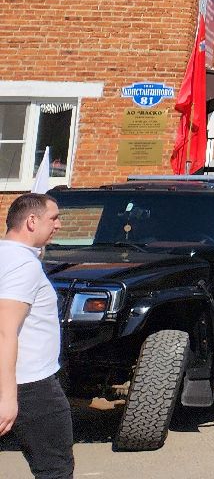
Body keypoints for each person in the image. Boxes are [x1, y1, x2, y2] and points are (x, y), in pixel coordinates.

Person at [0, 193, 70, 479]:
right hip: (29, 385)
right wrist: (8, 397)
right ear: (31, 221)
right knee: (55, 470)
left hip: (22, 382)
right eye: (53, 218)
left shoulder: (8, 256)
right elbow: (5, 329)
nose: (59, 225)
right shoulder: (22, 264)